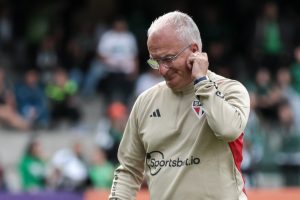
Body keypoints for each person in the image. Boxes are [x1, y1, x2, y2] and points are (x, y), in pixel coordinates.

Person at [109, 11, 250, 200]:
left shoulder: (230, 90)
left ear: (194, 50)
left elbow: (228, 130)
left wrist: (201, 81)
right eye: (155, 61)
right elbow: (128, 170)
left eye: (167, 59)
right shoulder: (145, 101)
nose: (161, 70)